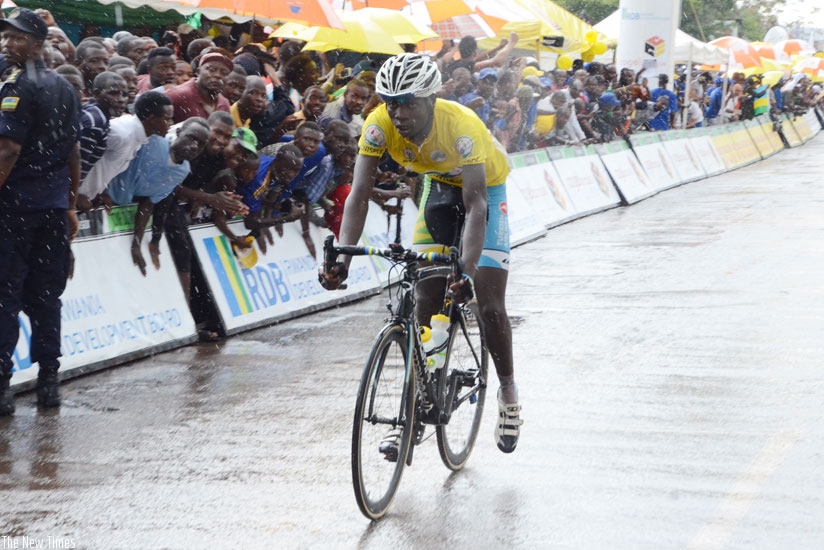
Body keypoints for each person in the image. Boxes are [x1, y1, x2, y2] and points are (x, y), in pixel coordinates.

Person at [320, 53, 522, 453]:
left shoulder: (461, 126)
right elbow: (358, 194)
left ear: (432, 98)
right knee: (427, 295)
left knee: (488, 301)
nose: (398, 112)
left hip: (484, 188)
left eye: (408, 102)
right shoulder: (378, 126)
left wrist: (465, 271)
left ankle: (509, 393)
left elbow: (477, 205)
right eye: (390, 101)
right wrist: (341, 258)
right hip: (438, 188)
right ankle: (415, 407)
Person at [0, 8, 81, 415]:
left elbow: (8, 150)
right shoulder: (65, 87)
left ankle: (3, 388)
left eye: (16, 37)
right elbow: (74, 150)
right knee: (47, 298)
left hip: (15, 210)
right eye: (5, 36)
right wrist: (69, 202)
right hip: (50, 209)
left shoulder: (16, 85)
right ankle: (49, 381)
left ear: (37, 43)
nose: (6, 43)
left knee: (6, 297)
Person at [166, 52, 232, 123]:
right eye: (212, 70)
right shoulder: (178, 95)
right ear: (198, 72)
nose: (218, 75)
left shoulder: (224, 103)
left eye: (224, 73)